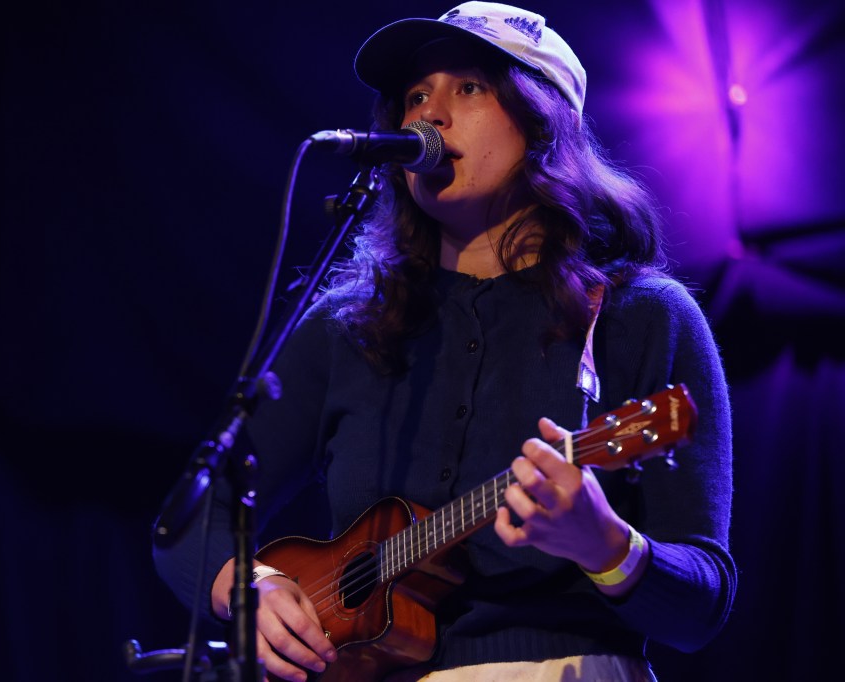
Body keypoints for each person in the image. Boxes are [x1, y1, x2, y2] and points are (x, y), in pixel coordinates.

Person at [154, 2, 736, 680]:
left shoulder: (644, 316)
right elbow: (189, 520)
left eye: (469, 88)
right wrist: (249, 585)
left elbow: (701, 607)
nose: (428, 115)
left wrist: (606, 545)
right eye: (413, 96)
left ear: (547, 122)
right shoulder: (349, 324)